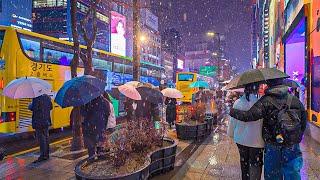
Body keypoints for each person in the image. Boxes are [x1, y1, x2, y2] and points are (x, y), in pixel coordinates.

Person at [229, 79, 307, 180]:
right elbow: (303, 121)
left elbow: (249, 116)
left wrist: (232, 111)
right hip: (292, 143)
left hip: (273, 142)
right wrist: (295, 137)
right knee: (292, 171)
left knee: (273, 173)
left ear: (268, 85)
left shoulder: (266, 100)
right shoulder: (294, 100)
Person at [227, 84, 264, 180]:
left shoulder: (238, 103)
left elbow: (233, 121)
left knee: (244, 163)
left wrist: (230, 133)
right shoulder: (260, 103)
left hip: (241, 140)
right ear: (255, 90)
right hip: (257, 141)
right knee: (255, 164)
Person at [28, 93, 53, 163]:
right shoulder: (47, 97)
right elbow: (51, 107)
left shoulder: (36, 98)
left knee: (41, 139)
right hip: (46, 121)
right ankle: (47, 155)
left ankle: (43, 156)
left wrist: (29, 105)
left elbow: (33, 108)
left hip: (39, 122)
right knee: (46, 138)